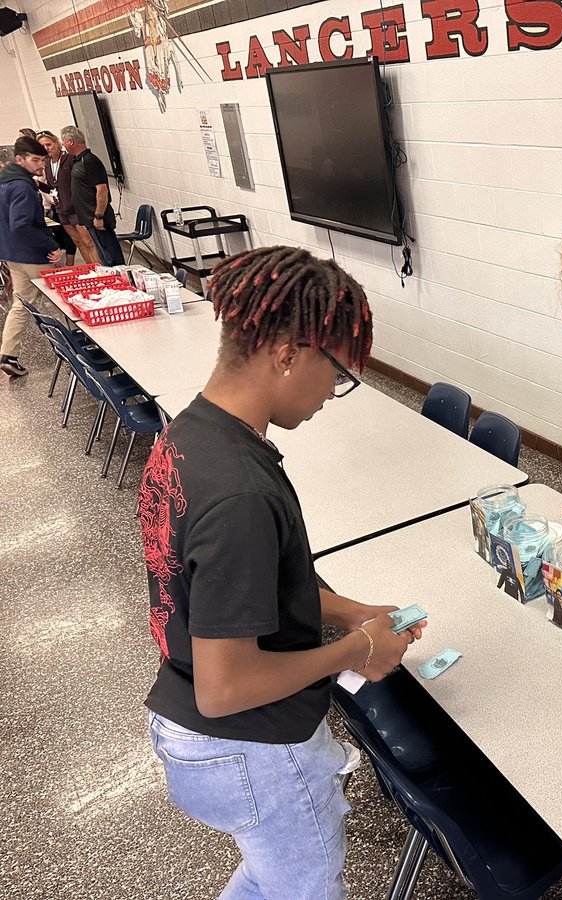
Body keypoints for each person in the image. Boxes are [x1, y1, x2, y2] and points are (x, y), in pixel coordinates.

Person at [139, 245, 423, 898]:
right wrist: (357, 650)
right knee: (306, 886)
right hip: (250, 750)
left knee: (272, 879)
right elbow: (226, 687)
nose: (333, 392)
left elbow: (240, 586)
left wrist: (351, 611)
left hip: (188, 729)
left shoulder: (191, 434)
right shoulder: (240, 493)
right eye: (337, 373)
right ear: (290, 352)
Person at [0, 136, 64, 378]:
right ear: (20, 159)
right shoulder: (22, 186)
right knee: (62, 300)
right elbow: (21, 225)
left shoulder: (4, 182)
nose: (41, 165)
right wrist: (52, 244)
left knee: (21, 304)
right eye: (36, 160)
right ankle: (78, 349)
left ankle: (8, 355)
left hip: (12, 254)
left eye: (43, 160)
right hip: (34, 255)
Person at [61, 125, 125, 266]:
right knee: (103, 254)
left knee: (110, 255)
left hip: (97, 218)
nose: (62, 144)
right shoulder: (77, 161)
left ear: (71, 142)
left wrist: (99, 216)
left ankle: (122, 281)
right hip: (88, 218)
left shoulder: (90, 161)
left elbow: (102, 190)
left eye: (63, 141)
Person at [38, 130, 98, 265]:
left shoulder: (69, 159)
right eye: (43, 146)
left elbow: (75, 183)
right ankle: (92, 268)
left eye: (49, 144)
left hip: (75, 208)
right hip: (61, 208)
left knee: (87, 241)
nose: (47, 148)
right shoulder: (47, 163)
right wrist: (39, 185)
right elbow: (54, 188)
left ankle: (100, 269)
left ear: (57, 143)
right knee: (77, 241)